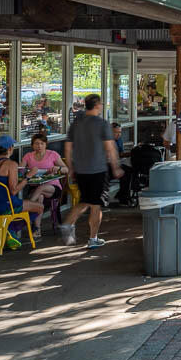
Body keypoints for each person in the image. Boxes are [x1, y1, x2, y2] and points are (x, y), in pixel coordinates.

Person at [61, 94, 123, 248]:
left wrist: (70, 168)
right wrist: (115, 167)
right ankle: (92, 238)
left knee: (86, 200)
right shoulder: (102, 124)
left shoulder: (76, 124)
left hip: (81, 170)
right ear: (97, 105)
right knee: (95, 204)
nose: (102, 106)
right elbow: (110, 147)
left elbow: (67, 148)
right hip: (98, 170)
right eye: (101, 104)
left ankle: (69, 225)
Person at [0, 135, 44, 244]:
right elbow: (14, 191)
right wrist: (29, 176)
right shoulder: (11, 164)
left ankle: (9, 230)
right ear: (10, 148)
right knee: (40, 207)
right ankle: (10, 229)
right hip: (6, 205)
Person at [21, 132, 67, 214]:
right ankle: (36, 226)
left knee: (41, 189)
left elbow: (66, 169)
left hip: (53, 187)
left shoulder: (53, 154)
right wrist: (26, 171)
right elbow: (20, 170)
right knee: (40, 197)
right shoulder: (28, 156)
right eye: (36, 143)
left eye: (42, 143)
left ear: (46, 144)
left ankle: (24, 208)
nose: (39, 146)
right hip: (34, 186)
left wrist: (58, 168)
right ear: (32, 145)